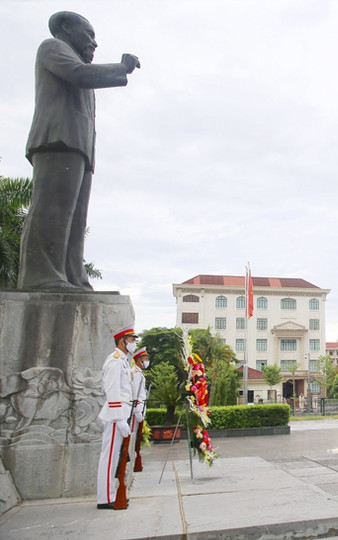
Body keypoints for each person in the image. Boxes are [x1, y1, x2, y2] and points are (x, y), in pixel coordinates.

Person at [18, 11, 140, 290]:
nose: (94, 43)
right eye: (89, 34)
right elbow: (79, 75)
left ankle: (73, 275)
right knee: (52, 210)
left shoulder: (74, 61)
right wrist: (121, 68)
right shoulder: (53, 48)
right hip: (57, 140)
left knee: (74, 218)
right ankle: (42, 276)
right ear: (65, 28)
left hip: (79, 147)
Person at [96, 325, 137, 509]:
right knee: (109, 456)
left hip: (121, 414)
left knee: (116, 457)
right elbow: (112, 391)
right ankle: (105, 498)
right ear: (123, 341)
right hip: (115, 416)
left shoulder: (123, 362)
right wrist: (119, 418)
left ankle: (111, 494)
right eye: (132, 340)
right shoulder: (114, 361)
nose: (133, 343)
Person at [131, 347, 149, 472]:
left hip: (140, 410)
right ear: (139, 360)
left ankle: (134, 460)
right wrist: (138, 411)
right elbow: (135, 394)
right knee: (133, 438)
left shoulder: (140, 374)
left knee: (136, 439)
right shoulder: (135, 373)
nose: (147, 361)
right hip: (136, 411)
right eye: (145, 359)